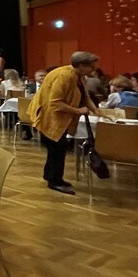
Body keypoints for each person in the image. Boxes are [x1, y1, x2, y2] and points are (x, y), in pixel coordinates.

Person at [29, 51, 100, 195]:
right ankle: (55, 181)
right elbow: (55, 103)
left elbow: (85, 96)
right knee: (57, 149)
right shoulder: (64, 76)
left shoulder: (79, 76)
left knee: (56, 149)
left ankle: (50, 175)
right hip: (51, 118)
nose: (94, 69)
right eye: (91, 67)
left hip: (60, 119)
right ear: (81, 65)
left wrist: (96, 110)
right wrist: (78, 111)